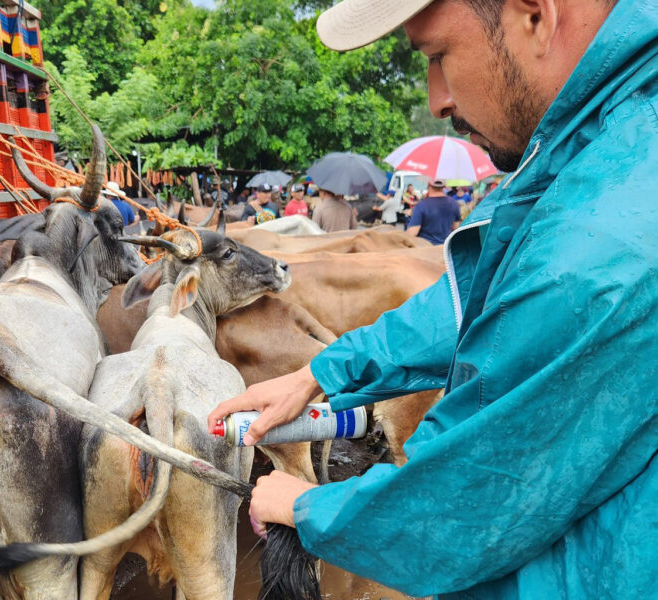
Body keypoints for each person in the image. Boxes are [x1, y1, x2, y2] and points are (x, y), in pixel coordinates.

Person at [208, 0, 657, 598]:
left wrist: (307, 504)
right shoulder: (592, 141)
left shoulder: (603, 239)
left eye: (438, 56)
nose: (437, 98)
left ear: (535, 15)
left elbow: (466, 500)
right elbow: (476, 293)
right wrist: (320, 373)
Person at [405, 178, 461, 244]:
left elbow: (412, 232)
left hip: (426, 249)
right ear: (444, 186)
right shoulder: (454, 204)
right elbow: (455, 228)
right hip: (445, 249)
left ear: (429, 185)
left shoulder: (422, 205)